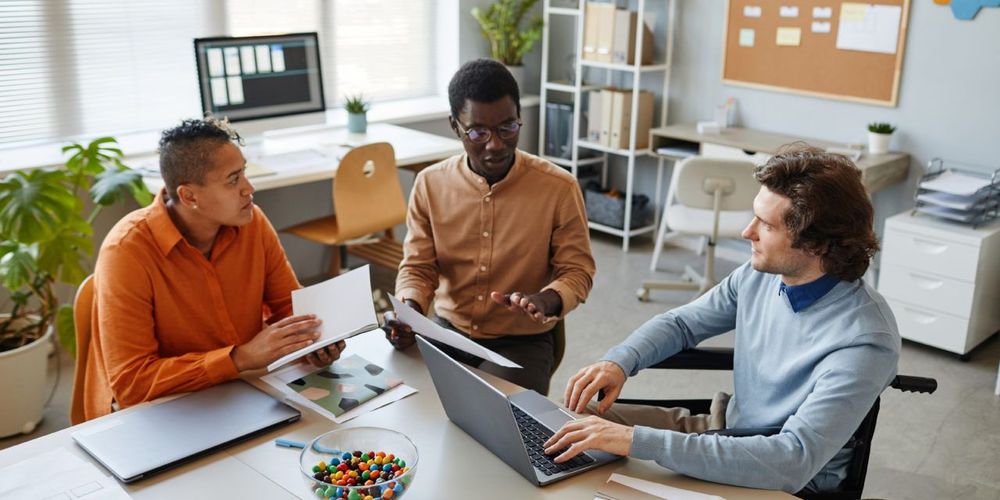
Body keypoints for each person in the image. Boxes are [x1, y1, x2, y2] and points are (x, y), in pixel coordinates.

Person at [546, 146, 900, 494]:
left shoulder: (865, 340)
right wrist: (620, 362)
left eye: (766, 225)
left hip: (780, 480)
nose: (747, 232)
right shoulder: (760, 275)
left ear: (818, 244)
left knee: (611, 460)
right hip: (723, 429)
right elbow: (683, 324)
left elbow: (791, 460)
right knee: (576, 422)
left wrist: (637, 441)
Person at [80, 117, 344, 421]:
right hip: (160, 410)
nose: (249, 188)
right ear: (189, 196)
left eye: (244, 172)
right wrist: (240, 358)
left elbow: (289, 306)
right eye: (233, 180)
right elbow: (132, 383)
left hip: (238, 392)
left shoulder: (252, 221)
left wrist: (313, 340)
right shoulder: (126, 252)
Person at [383, 59, 595, 395]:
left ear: (519, 120)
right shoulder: (430, 184)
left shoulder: (559, 188)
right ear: (456, 126)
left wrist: (548, 300)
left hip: (521, 343)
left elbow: (577, 271)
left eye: (507, 128)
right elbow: (419, 267)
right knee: (396, 399)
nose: (495, 144)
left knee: (499, 422)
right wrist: (409, 312)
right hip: (447, 332)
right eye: (478, 132)